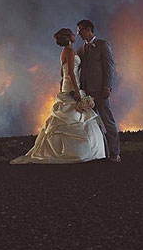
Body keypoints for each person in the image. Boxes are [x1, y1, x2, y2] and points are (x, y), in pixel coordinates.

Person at [10, 28, 107, 164]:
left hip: (66, 86)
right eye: (73, 34)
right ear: (68, 37)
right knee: (76, 117)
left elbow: (63, 73)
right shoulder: (70, 51)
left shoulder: (63, 52)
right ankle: (80, 152)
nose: (75, 35)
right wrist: (77, 90)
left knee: (67, 117)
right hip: (72, 85)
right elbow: (71, 74)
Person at [76, 19, 121, 163]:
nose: (78, 34)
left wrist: (107, 86)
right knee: (93, 124)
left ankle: (115, 153)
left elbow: (109, 67)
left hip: (100, 91)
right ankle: (101, 153)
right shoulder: (81, 49)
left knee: (107, 121)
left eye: (80, 30)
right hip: (86, 92)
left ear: (88, 29)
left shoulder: (102, 45)